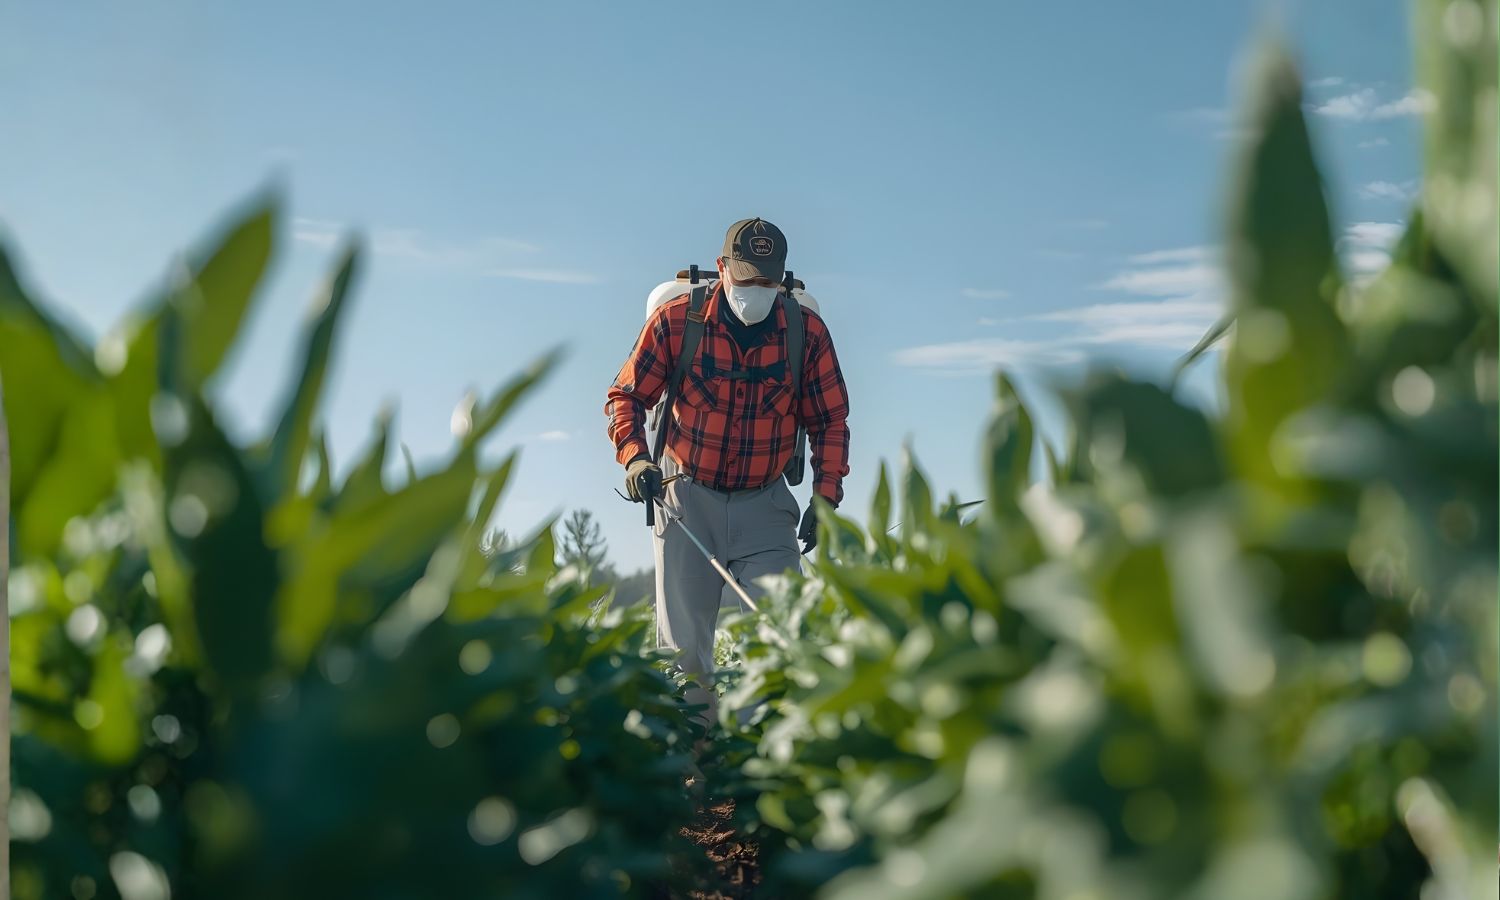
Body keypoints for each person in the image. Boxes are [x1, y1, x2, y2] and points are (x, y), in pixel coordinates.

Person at [604, 217, 850, 733]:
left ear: (781, 279)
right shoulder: (677, 322)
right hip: (685, 498)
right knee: (684, 650)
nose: (754, 291)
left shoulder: (807, 333)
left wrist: (825, 495)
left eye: (766, 281)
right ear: (722, 269)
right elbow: (626, 397)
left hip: (767, 506)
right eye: (746, 278)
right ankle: (693, 770)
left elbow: (829, 420)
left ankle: (767, 764)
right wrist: (635, 458)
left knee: (784, 631)